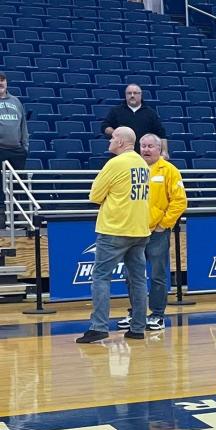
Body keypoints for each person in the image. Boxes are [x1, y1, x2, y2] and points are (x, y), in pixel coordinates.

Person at [77, 127, 150, 344]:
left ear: (120, 142)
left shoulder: (115, 163)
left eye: (113, 137)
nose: (109, 140)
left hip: (115, 229)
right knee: (137, 280)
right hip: (139, 229)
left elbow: (95, 195)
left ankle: (98, 326)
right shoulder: (141, 163)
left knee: (101, 277)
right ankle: (138, 327)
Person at [117, 134, 187, 332]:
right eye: (143, 146)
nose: (146, 150)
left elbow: (179, 201)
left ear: (159, 149)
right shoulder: (133, 167)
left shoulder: (169, 170)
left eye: (150, 146)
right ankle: (136, 314)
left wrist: (164, 224)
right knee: (131, 275)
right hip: (133, 231)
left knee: (157, 274)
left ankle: (157, 315)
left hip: (157, 233)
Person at [101, 84, 168, 157]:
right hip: (121, 155)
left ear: (140, 95)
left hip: (144, 156)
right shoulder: (116, 111)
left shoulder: (150, 113)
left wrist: (164, 151)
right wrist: (117, 133)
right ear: (125, 95)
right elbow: (105, 126)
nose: (132, 95)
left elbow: (161, 133)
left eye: (135, 93)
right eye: (129, 93)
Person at [0, 72, 28, 228]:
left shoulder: (16, 101)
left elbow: (23, 126)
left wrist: (25, 147)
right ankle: (2, 220)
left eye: (2, 80)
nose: (0, 83)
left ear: (6, 83)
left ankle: (18, 219)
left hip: (17, 150)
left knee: (17, 186)